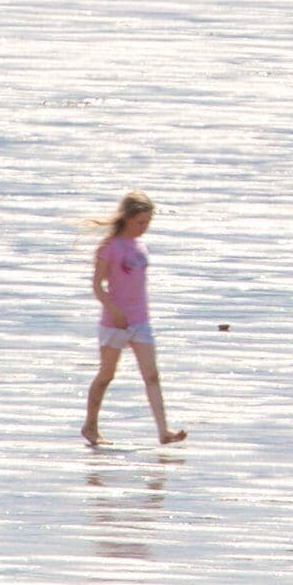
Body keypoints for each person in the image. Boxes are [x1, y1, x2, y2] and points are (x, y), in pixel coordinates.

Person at [82, 191, 187, 448]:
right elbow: (97, 285)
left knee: (152, 375)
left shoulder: (140, 246)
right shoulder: (110, 247)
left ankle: (163, 431)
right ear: (128, 218)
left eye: (148, 222)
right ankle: (90, 426)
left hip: (141, 322)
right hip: (115, 322)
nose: (144, 227)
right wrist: (113, 309)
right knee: (107, 375)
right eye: (140, 221)